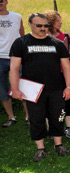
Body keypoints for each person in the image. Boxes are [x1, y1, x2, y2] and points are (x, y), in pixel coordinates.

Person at [9, 13, 70, 161]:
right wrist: (15, 88)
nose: (43, 28)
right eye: (39, 25)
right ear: (30, 24)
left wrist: (68, 87)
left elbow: (67, 67)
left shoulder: (57, 43)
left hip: (56, 88)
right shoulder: (20, 43)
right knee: (36, 118)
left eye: (46, 26)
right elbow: (14, 68)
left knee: (57, 117)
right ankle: (40, 148)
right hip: (32, 91)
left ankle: (59, 145)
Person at [44, 10, 70, 139]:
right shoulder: (43, 37)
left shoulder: (65, 36)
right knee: (50, 101)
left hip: (67, 72)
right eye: (57, 21)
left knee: (68, 100)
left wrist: (65, 54)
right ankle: (52, 129)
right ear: (50, 22)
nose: (60, 23)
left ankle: (69, 127)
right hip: (50, 74)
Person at [0, 0, 28, 128]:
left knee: (23, 86)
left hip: (16, 57)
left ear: (6, 1)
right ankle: (11, 117)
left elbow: (22, 36)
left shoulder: (17, 17)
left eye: (1, 0)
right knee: (2, 89)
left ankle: (29, 117)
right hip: (0, 58)